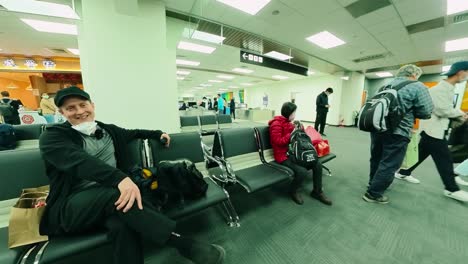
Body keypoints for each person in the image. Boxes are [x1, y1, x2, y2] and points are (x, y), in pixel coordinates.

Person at [39, 86, 225, 264]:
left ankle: (183, 245)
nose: (79, 111)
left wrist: (158, 134)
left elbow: (134, 133)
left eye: (83, 105)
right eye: (70, 108)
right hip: (73, 205)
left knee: (122, 224)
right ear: (62, 113)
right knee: (121, 195)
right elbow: (79, 161)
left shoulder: (107, 130)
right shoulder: (53, 137)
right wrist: (120, 179)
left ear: (92, 106)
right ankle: (182, 244)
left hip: (113, 201)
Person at [395, 61, 468, 202]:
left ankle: (403, 172)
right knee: (444, 159)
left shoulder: (449, 89)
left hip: (434, 130)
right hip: (432, 130)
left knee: (421, 153)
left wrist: (458, 114)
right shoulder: (439, 89)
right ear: (460, 72)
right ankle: (451, 188)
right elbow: (442, 109)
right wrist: (461, 114)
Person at [363, 64, 433, 204]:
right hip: (398, 131)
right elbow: (426, 112)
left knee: (377, 157)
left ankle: (373, 183)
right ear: (414, 75)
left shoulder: (384, 86)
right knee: (390, 163)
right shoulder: (418, 86)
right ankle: (374, 193)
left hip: (377, 127)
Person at [269, 102, 332, 206]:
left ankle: (317, 192)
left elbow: (300, 138)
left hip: (295, 153)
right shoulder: (276, 124)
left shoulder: (289, 123)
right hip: (282, 155)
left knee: (317, 164)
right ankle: (293, 191)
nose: (295, 115)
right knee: (302, 171)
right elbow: (277, 141)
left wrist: (300, 128)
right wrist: (291, 134)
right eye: (294, 112)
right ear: (289, 113)